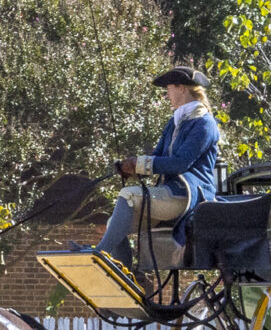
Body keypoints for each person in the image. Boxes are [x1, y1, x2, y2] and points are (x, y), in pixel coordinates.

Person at [94, 66, 222, 270]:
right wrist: (132, 168)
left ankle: (99, 253)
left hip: (188, 196)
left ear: (181, 88)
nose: (166, 94)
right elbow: (158, 158)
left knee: (127, 195)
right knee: (114, 226)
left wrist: (140, 163)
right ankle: (125, 277)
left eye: (169, 89)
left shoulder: (204, 124)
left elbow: (181, 163)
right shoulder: (174, 122)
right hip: (169, 193)